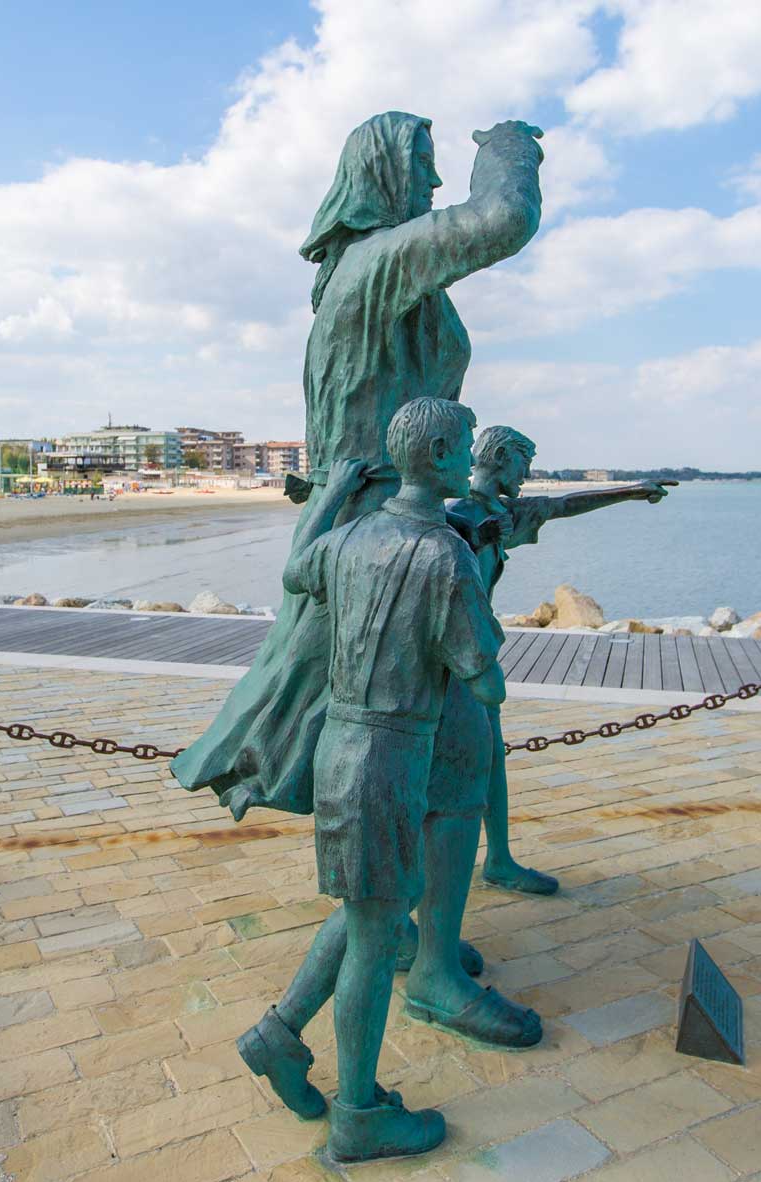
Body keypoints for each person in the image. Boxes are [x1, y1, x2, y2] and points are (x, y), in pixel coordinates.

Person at [171, 111, 545, 821]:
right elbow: (503, 216)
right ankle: (376, 909)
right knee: (368, 715)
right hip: (377, 528)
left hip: (388, 517)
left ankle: (411, 890)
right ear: (381, 173)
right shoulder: (379, 261)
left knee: (383, 714)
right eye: (422, 162)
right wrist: (510, 146)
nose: (436, 179)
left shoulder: (385, 273)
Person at [248, 397, 502, 1162]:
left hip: (342, 747)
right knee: (375, 936)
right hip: (395, 757)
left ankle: (279, 1034)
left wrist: (330, 495)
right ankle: (358, 1115)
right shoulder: (445, 553)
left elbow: (298, 569)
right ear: (442, 453)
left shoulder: (352, 537)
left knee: (374, 910)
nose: (468, 456)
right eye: (462, 445)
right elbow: (484, 681)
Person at [446, 428, 675, 893]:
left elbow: (566, 505)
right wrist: (471, 541)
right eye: (522, 464)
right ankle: (432, 878)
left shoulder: (504, 511)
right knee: (458, 763)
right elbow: (428, 571)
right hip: (450, 659)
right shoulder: (454, 514)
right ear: (501, 459)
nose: (527, 474)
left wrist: (631, 492)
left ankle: (500, 859)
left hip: (480, 651)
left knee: (492, 760)